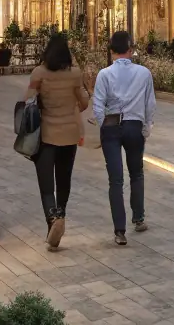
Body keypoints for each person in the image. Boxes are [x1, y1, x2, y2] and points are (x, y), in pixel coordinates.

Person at [26, 32, 90, 250]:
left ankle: (53, 219)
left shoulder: (39, 73)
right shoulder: (75, 74)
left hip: (46, 134)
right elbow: (83, 102)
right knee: (64, 179)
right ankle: (61, 212)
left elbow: (27, 100)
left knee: (46, 185)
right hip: (69, 134)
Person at [92, 31, 155, 246]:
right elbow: (150, 105)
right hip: (134, 127)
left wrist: (104, 127)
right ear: (131, 50)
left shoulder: (104, 74)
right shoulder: (144, 73)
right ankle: (138, 218)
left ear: (111, 52)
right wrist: (146, 128)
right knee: (136, 173)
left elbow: (98, 107)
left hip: (111, 126)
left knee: (116, 179)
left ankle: (120, 231)